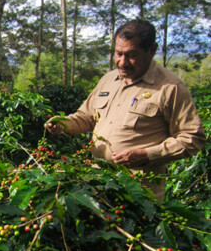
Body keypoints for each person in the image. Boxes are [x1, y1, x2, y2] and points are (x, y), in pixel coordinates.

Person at [45, 19, 205, 200]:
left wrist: (147, 155)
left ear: (151, 50)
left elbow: (192, 137)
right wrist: (64, 124)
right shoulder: (109, 79)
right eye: (118, 53)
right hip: (96, 185)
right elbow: (87, 117)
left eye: (131, 55)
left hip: (137, 196)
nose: (122, 62)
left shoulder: (171, 88)